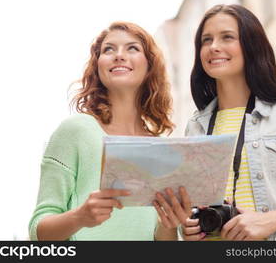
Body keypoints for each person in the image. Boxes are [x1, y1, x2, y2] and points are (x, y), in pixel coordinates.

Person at [153, 4, 276, 241]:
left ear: (251, 45)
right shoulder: (196, 127)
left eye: (227, 37)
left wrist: (272, 220)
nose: (214, 47)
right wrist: (192, 228)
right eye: (206, 40)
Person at [28, 21, 176, 240]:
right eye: (109, 49)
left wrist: (170, 224)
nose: (119, 55)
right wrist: (80, 217)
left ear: (149, 66)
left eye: (132, 48)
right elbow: (37, 231)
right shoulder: (76, 131)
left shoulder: (160, 146)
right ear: (98, 65)